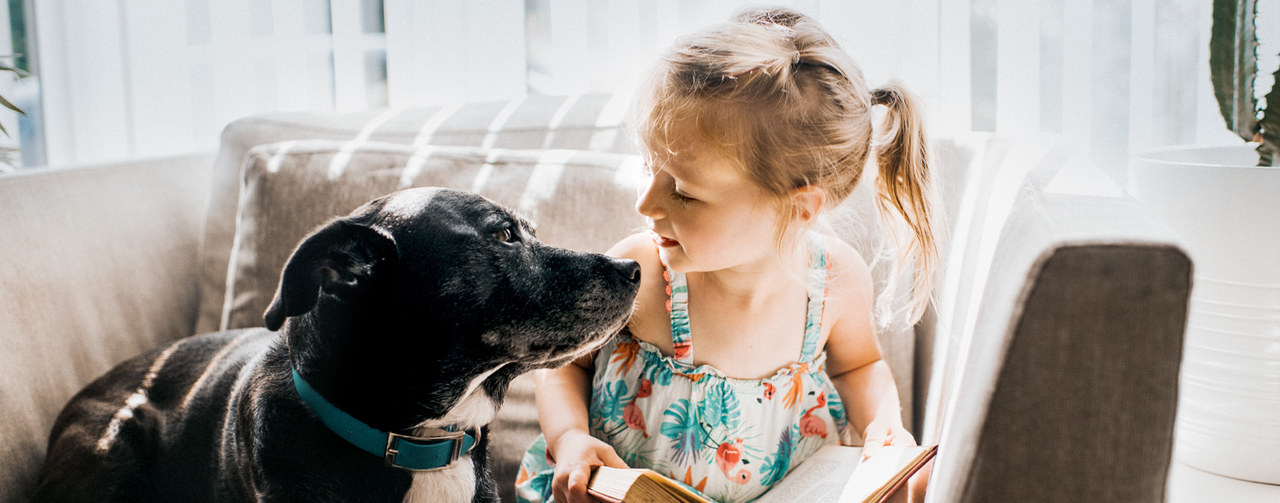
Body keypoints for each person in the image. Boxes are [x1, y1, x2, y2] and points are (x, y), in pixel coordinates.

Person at [515, 7, 938, 503]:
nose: (645, 203)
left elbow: (859, 367)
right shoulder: (642, 274)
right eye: (650, 168)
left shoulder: (835, 282)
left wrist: (885, 429)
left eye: (685, 192)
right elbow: (562, 360)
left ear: (798, 208)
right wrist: (569, 438)